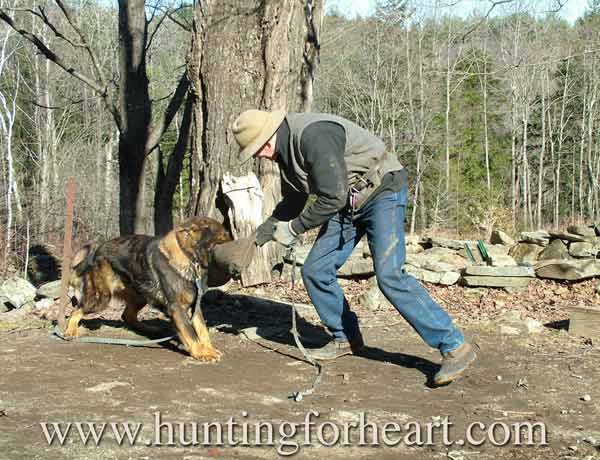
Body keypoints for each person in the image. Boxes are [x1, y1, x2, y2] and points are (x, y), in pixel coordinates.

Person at [231, 109, 476, 385]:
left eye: (256, 150)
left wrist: (295, 228)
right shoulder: (284, 152)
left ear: (266, 139)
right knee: (315, 270)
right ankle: (345, 337)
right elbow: (295, 198)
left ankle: (454, 346)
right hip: (347, 203)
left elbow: (331, 197)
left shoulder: (314, 135)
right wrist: (261, 235)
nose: (259, 156)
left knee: (389, 275)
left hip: (382, 190)